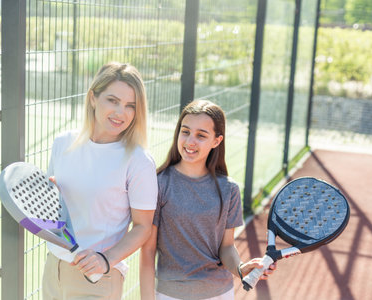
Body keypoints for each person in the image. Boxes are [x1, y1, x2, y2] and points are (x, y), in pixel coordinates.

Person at [43, 62, 158, 299]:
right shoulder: (63, 143)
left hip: (98, 278)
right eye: (112, 100)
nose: (120, 113)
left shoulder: (139, 161)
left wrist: (106, 260)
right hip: (53, 268)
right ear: (93, 98)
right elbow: (54, 208)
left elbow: (143, 227)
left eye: (130, 106)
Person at [140, 100, 276, 300]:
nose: (190, 141)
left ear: (216, 141)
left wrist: (240, 269)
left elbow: (227, 247)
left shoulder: (229, 189)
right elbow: (148, 251)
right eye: (185, 131)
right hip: (170, 294)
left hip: (219, 293)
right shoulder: (159, 184)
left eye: (201, 135)